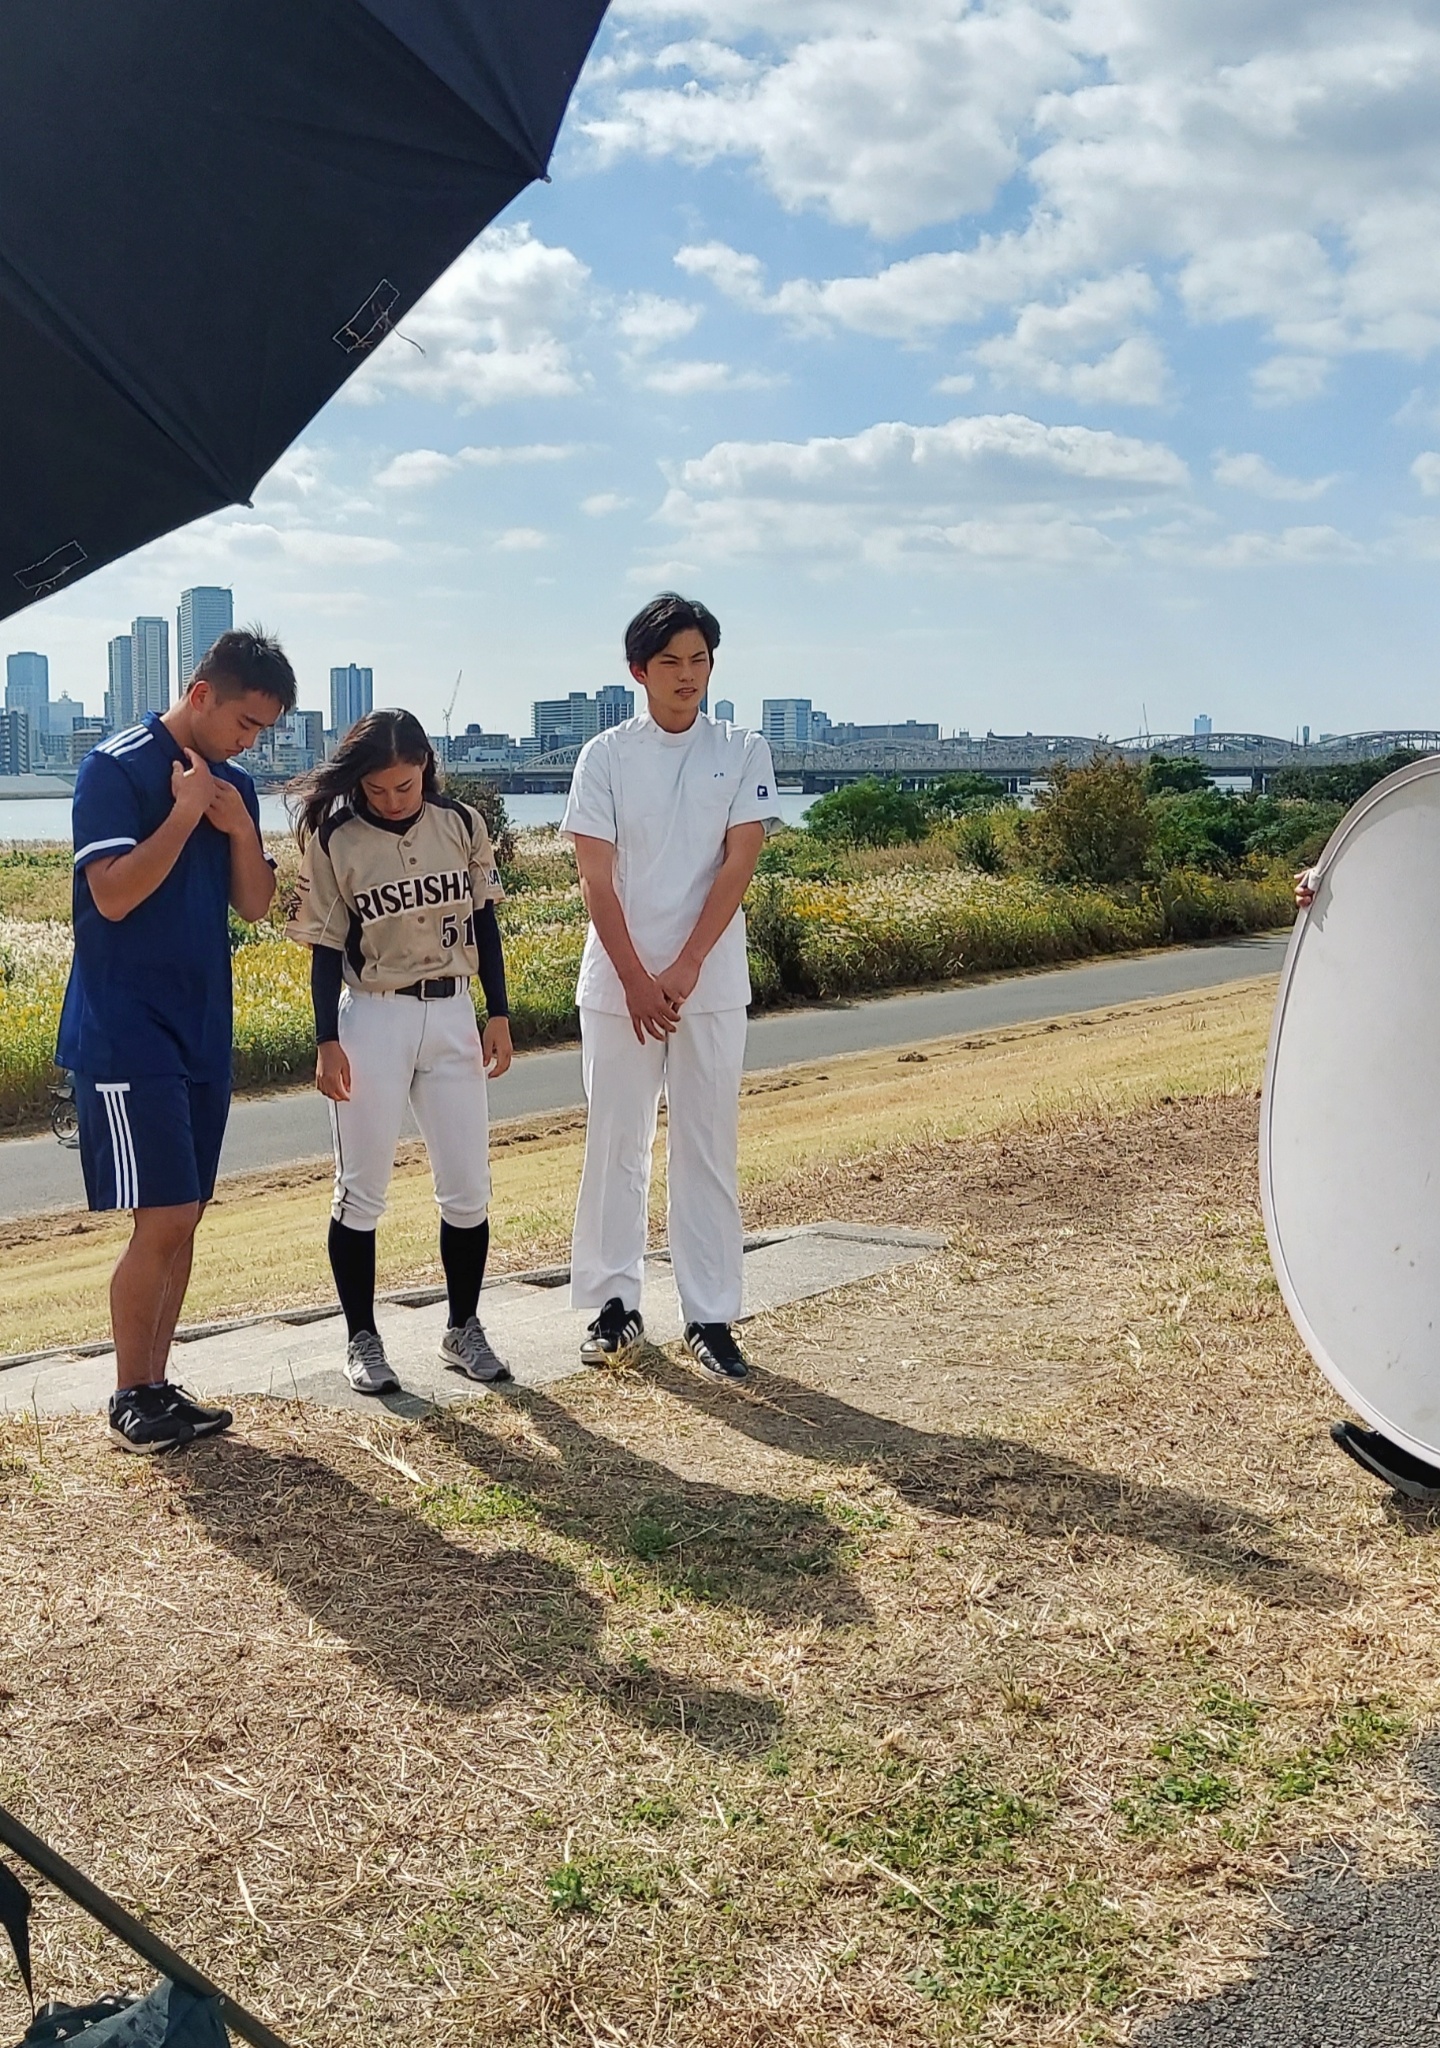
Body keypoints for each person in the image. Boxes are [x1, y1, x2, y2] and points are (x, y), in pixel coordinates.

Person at [58, 628, 297, 1452]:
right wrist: (186, 812)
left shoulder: (236, 786)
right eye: (245, 722)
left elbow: (256, 905)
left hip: (202, 1026)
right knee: (161, 1217)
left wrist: (236, 828)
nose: (251, 741)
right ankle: (130, 1396)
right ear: (201, 696)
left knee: (187, 1215)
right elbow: (113, 896)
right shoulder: (115, 768)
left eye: (263, 730)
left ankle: (158, 1386)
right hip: (126, 1028)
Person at [562, 592, 779, 1380]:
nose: (687, 675)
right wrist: (635, 977)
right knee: (615, 1144)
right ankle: (613, 1307)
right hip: (618, 983)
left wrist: (685, 966)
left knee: (707, 1146)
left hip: (709, 982)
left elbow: (739, 860)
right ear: (638, 672)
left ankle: (711, 1315)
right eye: (670, 662)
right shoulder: (605, 756)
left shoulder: (743, 749)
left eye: (699, 660)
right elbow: (596, 877)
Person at [286, 709, 513, 1395]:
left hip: (452, 1012)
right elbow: (325, 948)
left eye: (405, 786)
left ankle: (463, 1328)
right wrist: (326, 1040)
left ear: (426, 769)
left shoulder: (462, 824)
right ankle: (362, 1339)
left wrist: (499, 1012)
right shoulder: (335, 839)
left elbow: (484, 923)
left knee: (468, 1188)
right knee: (360, 1192)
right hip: (373, 1019)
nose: (391, 799)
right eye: (376, 788)